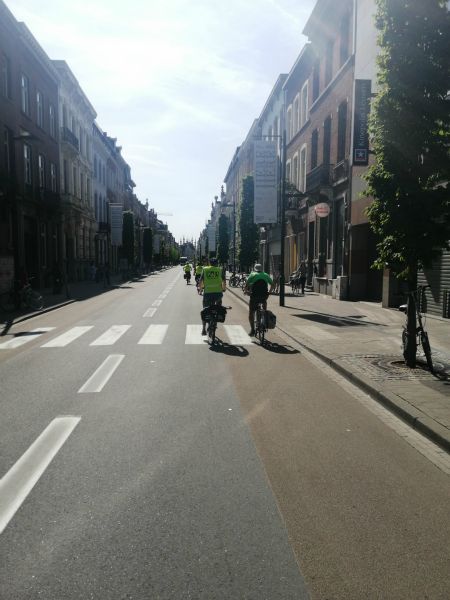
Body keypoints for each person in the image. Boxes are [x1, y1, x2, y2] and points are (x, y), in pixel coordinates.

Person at [244, 263, 273, 336]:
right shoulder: (266, 275)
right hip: (264, 297)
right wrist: (269, 292)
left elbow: (246, 285)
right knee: (264, 309)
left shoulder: (252, 274)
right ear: (261, 269)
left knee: (251, 312)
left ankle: (252, 330)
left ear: (255, 269)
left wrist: (246, 291)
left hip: (254, 296)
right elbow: (273, 284)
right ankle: (264, 318)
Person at [200, 257, 226, 335]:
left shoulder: (205, 269)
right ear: (217, 263)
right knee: (218, 308)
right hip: (218, 294)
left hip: (207, 293)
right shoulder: (220, 270)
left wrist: (201, 289)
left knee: (205, 311)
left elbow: (201, 280)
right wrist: (223, 289)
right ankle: (215, 322)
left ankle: (203, 329)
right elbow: (224, 280)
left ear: (210, 263)